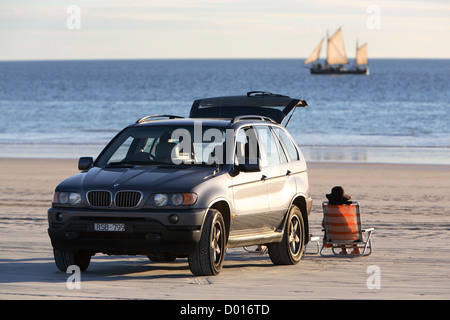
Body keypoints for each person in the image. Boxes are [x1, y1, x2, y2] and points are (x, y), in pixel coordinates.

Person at [322, 186, 360, 255]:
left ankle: (344, 250)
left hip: (334, 237)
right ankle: (356, 249)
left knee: (338, 229)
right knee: (348, 229)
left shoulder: (329, 212)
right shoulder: (347, 212)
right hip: (350, 236)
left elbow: (323, 224)